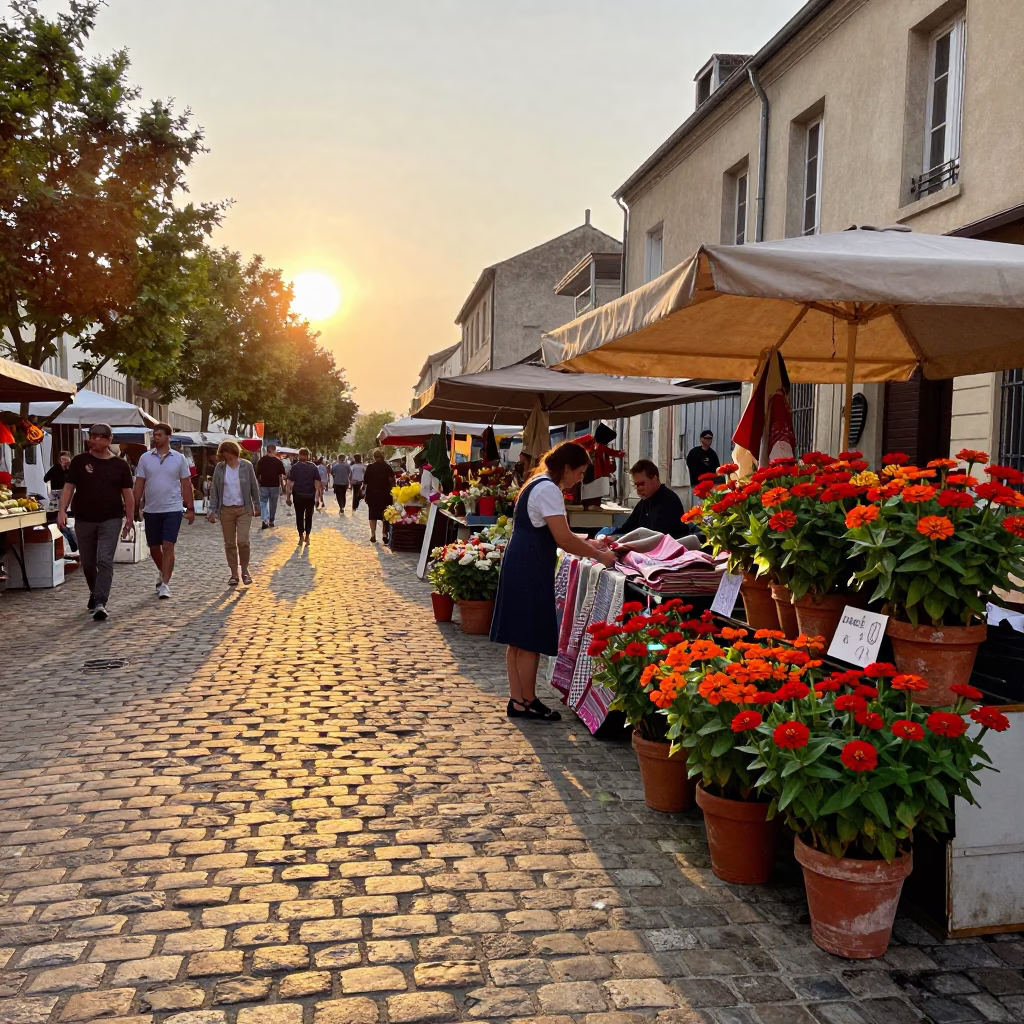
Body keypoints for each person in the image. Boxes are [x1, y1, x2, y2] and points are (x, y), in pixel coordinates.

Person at [490, 441, 617, 721]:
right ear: (568, 468)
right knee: (530, 636)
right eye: (581, 472)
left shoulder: (538, 483)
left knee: (517, 637)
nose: (581, 479)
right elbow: (562, 538)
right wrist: (600, 556)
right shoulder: (548, 489)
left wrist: (591, 541)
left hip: (521, 558)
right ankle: (528, 701)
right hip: (530, 563)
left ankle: (518, 699)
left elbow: (557, 533)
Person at [58, 423, 135, 621]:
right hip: (84, 518)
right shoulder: (80, 461)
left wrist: (129, 518)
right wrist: (61, 512)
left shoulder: (120, 465)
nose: (92, 439)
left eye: (97, 436)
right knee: (89, 563)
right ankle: (95, 593)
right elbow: (68, 488)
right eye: (91, 435)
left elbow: (128, 494)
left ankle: (100, 602)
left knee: (104, 559)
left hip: (111, 518)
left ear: (108, 440)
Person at [133, 422, 194, 599]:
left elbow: (186, 483)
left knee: (168, 545)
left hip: (173, 508)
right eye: (154, 435)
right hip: (152, 509)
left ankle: (165, 584)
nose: (156, 437)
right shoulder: (145, 458)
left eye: (159, 435)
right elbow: (139, 483)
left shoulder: (179, 458)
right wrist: (135, 505)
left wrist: (190, 507)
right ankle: (163, 571)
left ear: (169, 436)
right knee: (154, 548)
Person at [207, 441, 261, 585]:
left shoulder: (246, 466)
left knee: (243, 541)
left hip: (244, 509)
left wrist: (257, 505)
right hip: (226, 510)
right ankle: (234, 574)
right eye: (224, 456)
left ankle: (244, 570)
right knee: (229, 543)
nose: (227, 459)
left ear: (234, 453)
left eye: (229, 456)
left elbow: (254, 486)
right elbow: (215, 491)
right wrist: (212, 510)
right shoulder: (220, 468)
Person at [609, 459, 687, 539]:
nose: (638, 489)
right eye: (635, 485)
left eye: (641, 484)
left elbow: (657, 537)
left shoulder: (668, 501)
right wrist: (610, 536)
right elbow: (627, 527)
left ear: (654, 479)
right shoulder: (644, 501)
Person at [286, 447, 322, 544]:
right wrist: (317, 497)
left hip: (298, 495)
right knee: (309, 516)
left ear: (299, 455)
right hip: (310, 495)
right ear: (308, 456)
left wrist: (288, 497)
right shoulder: (313, 467)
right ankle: (307, 536)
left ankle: (301, 536)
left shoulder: (295, 467)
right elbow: (317, 482)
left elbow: (289, 483)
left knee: (299, 516)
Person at [45, 452, 78, 553]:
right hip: (57, 496)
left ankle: (72, 544)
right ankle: (67, 542)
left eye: (67, 461)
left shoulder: (71, 470)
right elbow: (45, 479)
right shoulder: (55, 469)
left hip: (66, 495)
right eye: (63, 461)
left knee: (68, 519)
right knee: (59, 518)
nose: (65, 463)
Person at [363, 448, 396, 544]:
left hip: (372, 494)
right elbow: (392, 479)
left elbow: (365, 482)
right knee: (385, 514)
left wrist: (364, 493)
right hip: (385, 494)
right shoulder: (387, 466)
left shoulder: (370, 467)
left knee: (372, 514)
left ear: (374, 457)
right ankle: (384, 534)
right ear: (383, 457)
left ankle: (373, 534)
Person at [255, 443, 287, 529]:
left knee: (263, 503)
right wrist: (283, 487)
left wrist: (259, 482)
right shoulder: (278, 462)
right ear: (274, 450)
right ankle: (271, 520)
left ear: (267, 450)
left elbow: (258, 474)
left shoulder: (261, 461)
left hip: (264, 485)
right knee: (273, 504)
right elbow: (282, 475)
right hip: (275, 486)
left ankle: (264, 520)